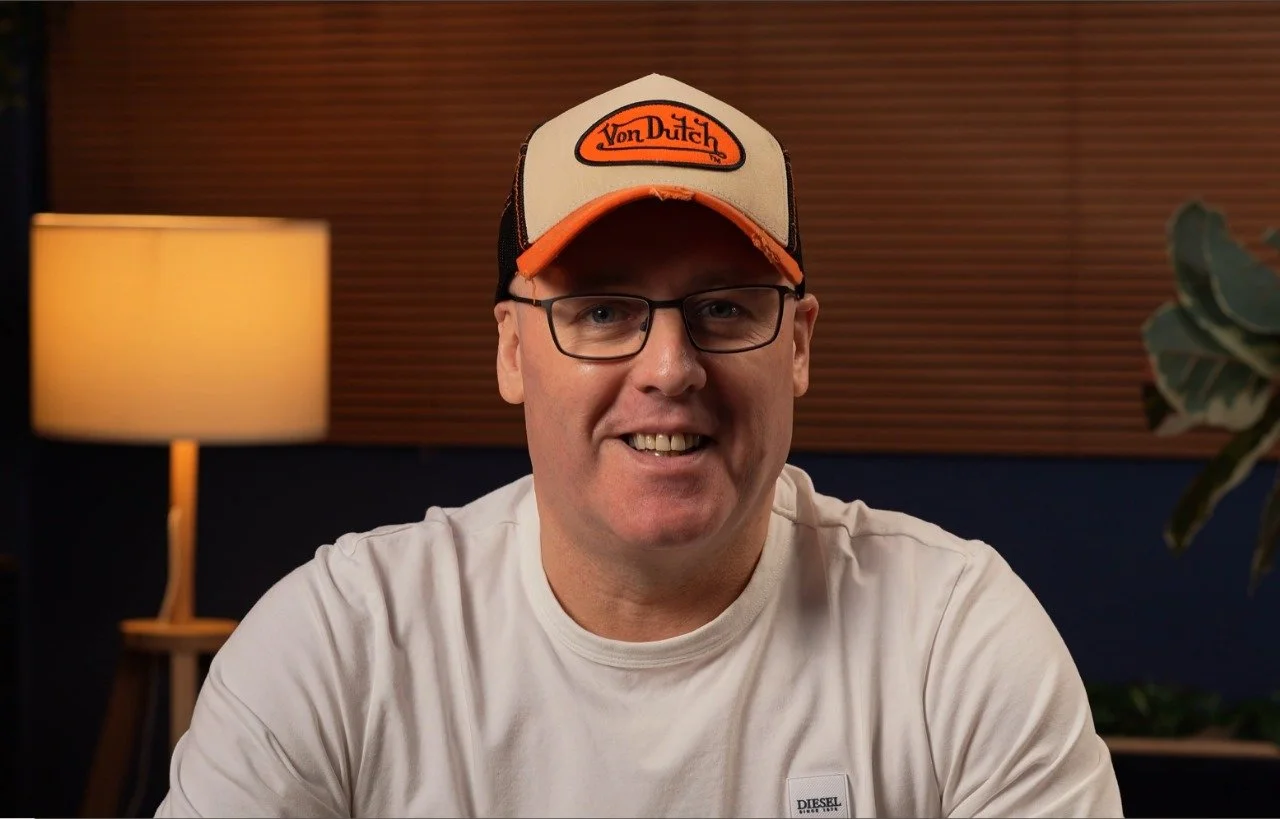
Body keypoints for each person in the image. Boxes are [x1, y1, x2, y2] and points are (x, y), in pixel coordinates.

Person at [156, 74, 1123, 818]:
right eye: (604, 308)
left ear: (798, 345)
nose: (670, 367)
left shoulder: (952, 640)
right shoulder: (338, 645)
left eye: (725, 307)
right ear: (511, 349)